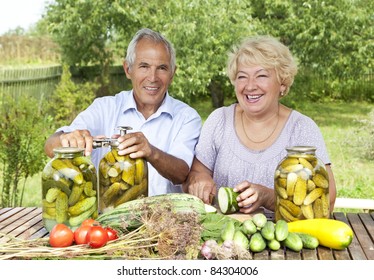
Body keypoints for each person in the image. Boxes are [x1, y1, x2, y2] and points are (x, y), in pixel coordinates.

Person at [183, 35, 336, 213]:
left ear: (282, 83)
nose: (250, 86)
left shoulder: (302, 129)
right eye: (242, 77)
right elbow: (196, 173)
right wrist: (200, 181)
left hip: (283, 236)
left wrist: (269, 198)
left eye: (261, 75)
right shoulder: (219, 120)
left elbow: (328, 199)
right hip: (222, 237)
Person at [45, 28, 202, 196]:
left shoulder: (187, 117)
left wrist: (151, 152)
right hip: (105, 219)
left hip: (163, 219)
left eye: (162, 68)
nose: (153, 77)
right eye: (144, 66)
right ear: (128, 69)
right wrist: (68, 139)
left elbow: (181, 173)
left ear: (172, 73)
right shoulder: (104, 108)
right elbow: (50, 146)